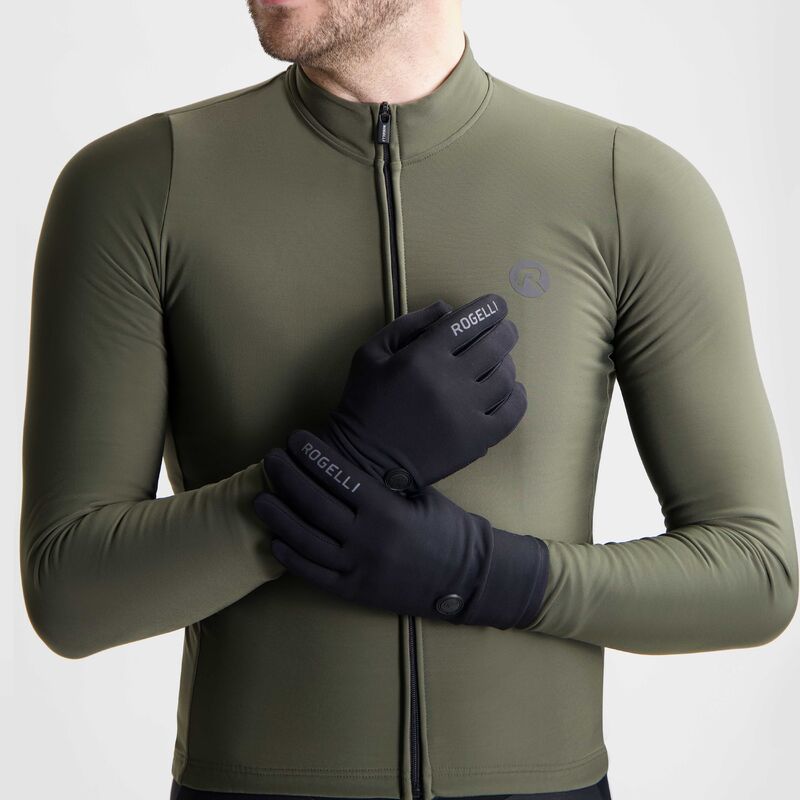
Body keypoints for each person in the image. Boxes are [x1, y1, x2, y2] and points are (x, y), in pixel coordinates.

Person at [20, 1, 797, 799]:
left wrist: (484, 573)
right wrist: (349, 461)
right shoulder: (143, 186)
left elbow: (756, 575)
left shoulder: (624, 187)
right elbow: (70, 592)